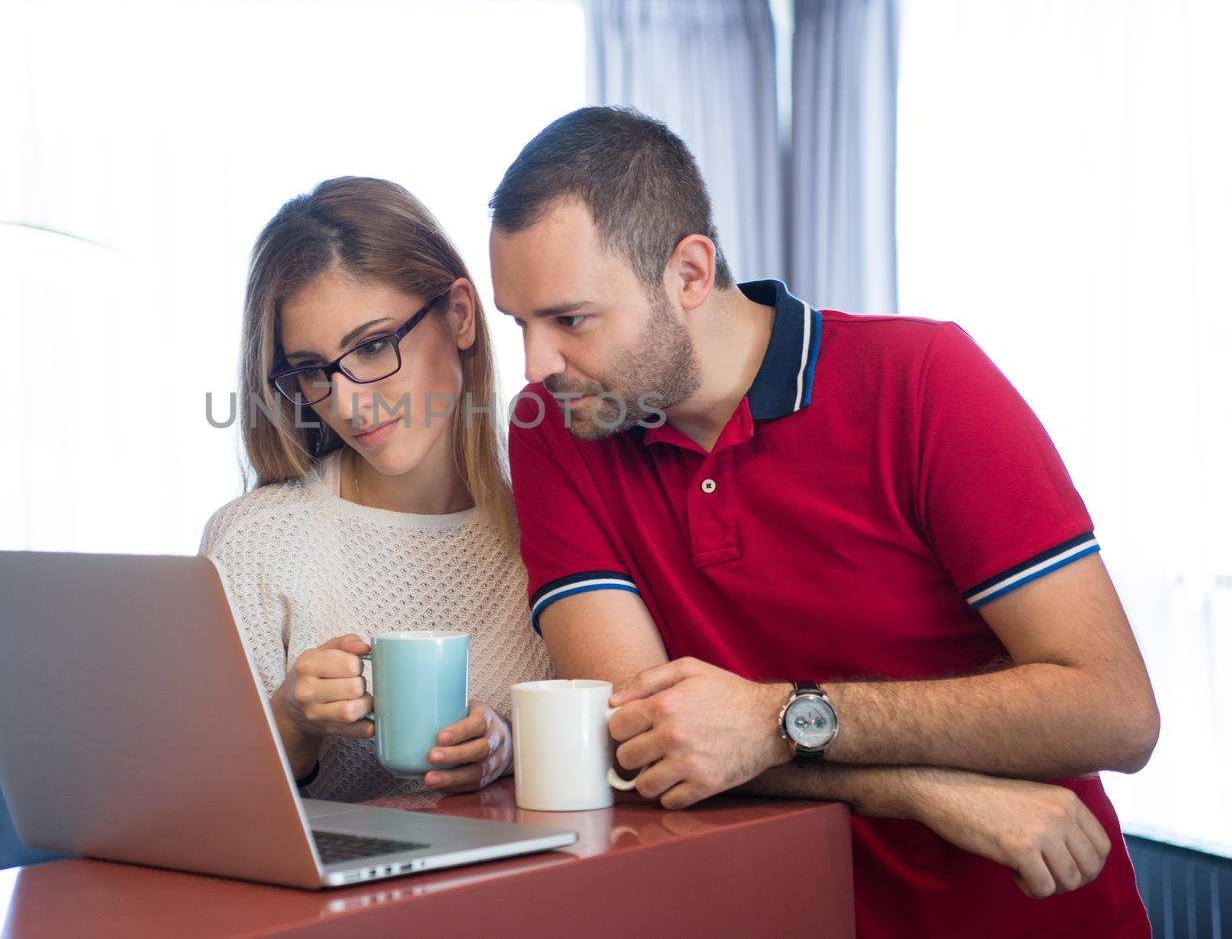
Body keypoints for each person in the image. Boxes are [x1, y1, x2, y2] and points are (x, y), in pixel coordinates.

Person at [487, 106, 1158, 936]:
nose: (536, 363)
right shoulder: (556, 424)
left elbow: (1117, 712)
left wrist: (781, 722)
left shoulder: (924, 381)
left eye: (570, 319)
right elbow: (646, 740)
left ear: (690, 275)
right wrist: (914, 783)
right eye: (519, 322)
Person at [200, 176, 550, 803]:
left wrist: (509, 747)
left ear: (460, 316)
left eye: (373, 345)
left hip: (528, 888)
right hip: (328, 901)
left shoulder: (553, 520)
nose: (348, 402)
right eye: (311, 370)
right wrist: (291, 723)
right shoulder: (255, 543)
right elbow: (209, 807)